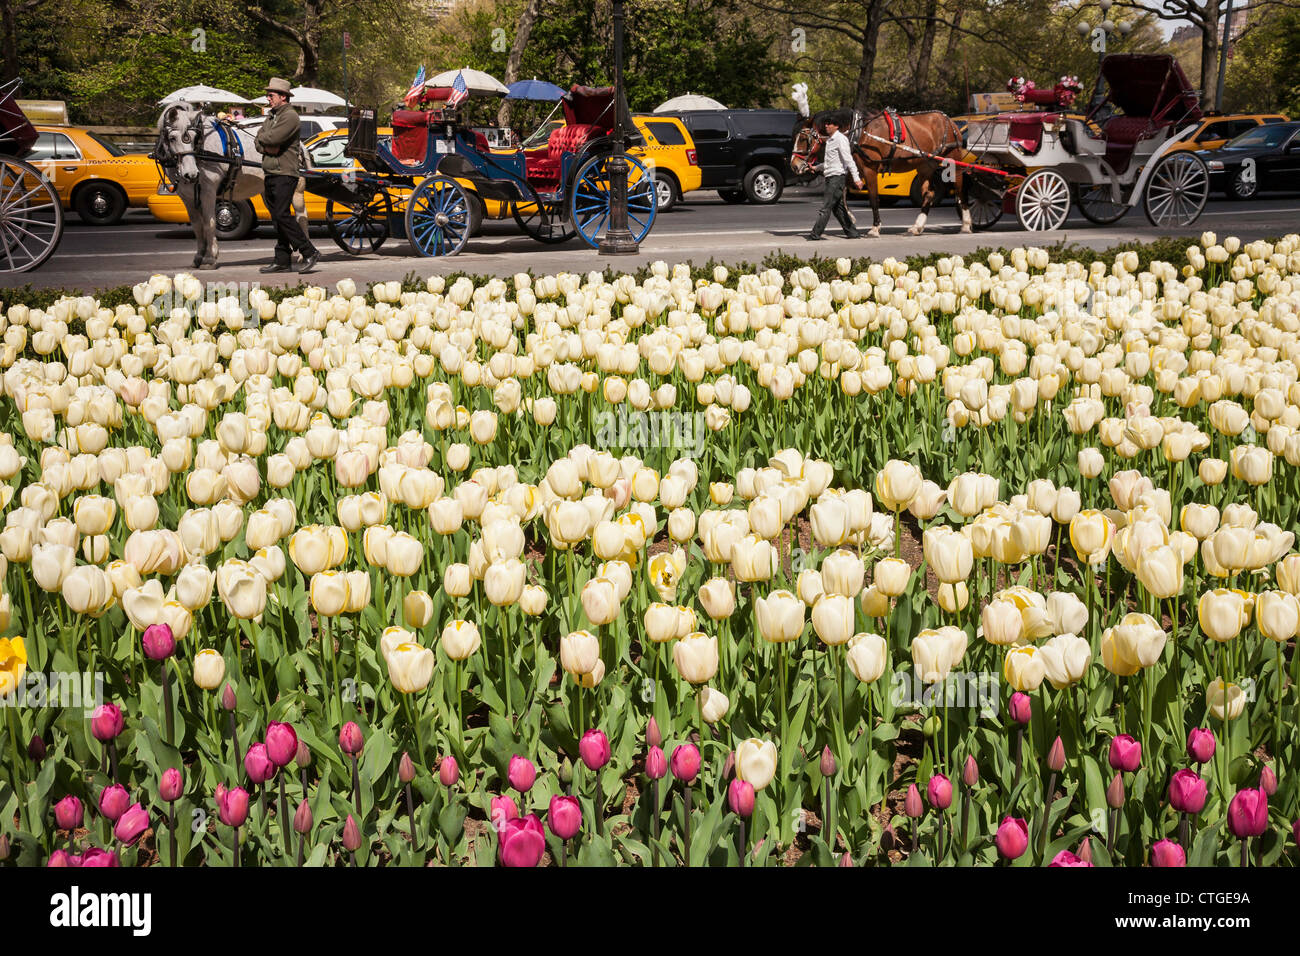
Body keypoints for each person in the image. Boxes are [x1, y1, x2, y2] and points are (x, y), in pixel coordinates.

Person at [255, 78, 319, 273]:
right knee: (277, 217)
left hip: (285, 173)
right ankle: (282, 259)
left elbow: (272, 138)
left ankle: (309, 251)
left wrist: (266, 140)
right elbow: (258, 141)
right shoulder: (272, 116)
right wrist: (267, 145)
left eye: (271, 95)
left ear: (283, 97)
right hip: (271, 172)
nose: (268, 98)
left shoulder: (290, 116)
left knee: (282, 214)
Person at [807, 113, 863, 240]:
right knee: (838, 209)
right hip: (830, 177)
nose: (826, 126)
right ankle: (852, 233)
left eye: (829, 124)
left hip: (837, 178)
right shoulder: (830, 140)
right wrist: (816, 168)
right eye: (826, 123)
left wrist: (857, 178)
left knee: (825, 207)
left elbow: (848, 160)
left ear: (836, 126)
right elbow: (829, 162)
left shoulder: (840, 139)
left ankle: (815, 234)